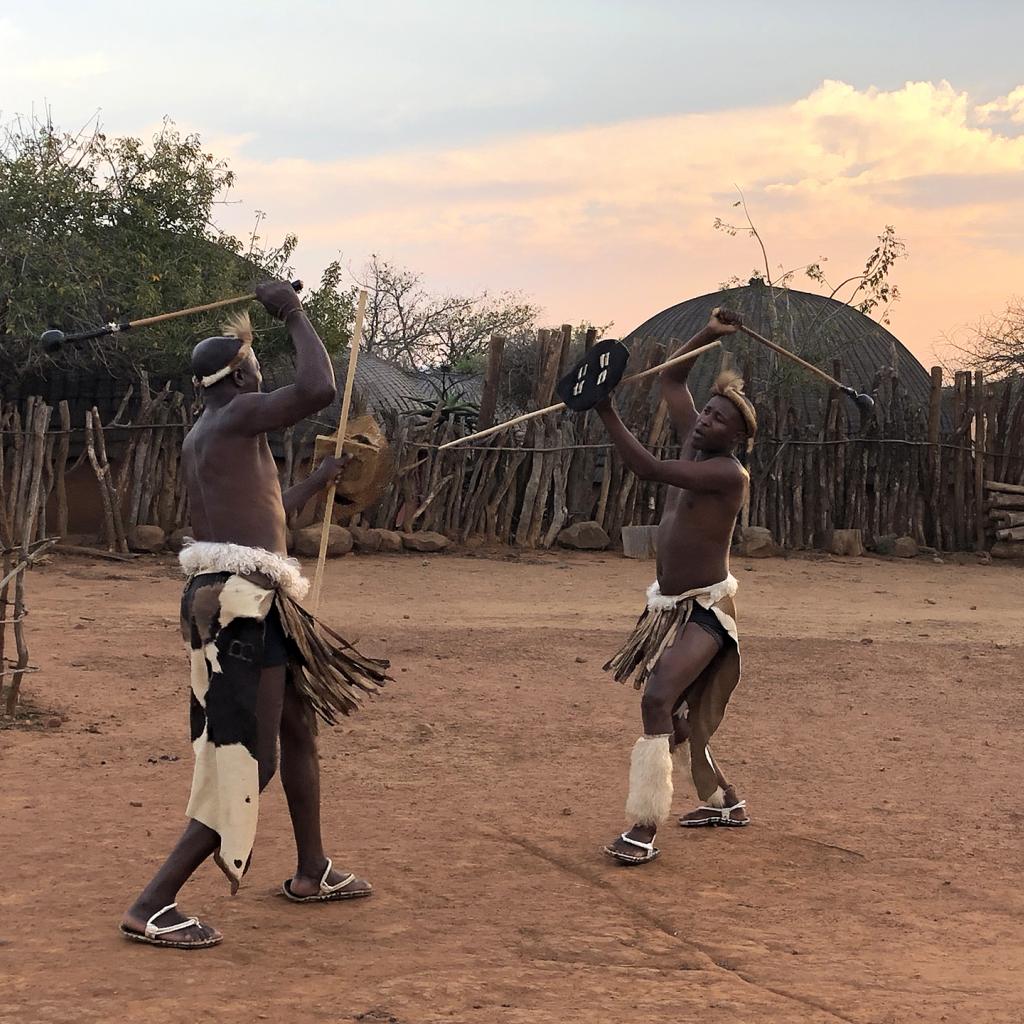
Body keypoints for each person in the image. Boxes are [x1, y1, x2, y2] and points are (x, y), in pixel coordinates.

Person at [121, 280, 389, 948]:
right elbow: (319, 389)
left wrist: (319, 482)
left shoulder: (213, 430)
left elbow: (261, 515)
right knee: (250, 760)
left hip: (241, 591)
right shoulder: (238, 415)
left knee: (296, 728)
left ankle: (312, 870)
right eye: (254, 365)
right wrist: (293, 313)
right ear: (240, 374)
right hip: (242, 604)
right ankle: (153, 901)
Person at [597, 308, 757, 865]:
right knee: (680, 717)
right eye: (706, 412)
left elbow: (646, 469)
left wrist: (606, 411)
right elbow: (671, 377)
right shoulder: (697, 444)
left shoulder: (726, 474)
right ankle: (724, 802)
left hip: (708, 610)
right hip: (667, 606)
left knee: (659, 696)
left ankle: (643, 828)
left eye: (717, 421)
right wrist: (708, 336)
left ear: (736, 438)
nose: (705, 421)